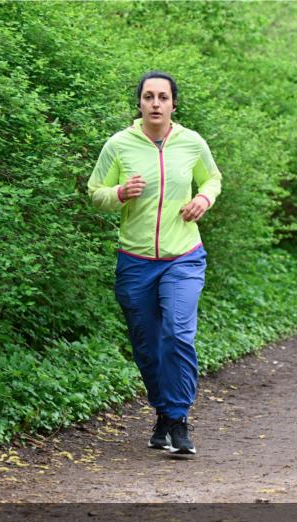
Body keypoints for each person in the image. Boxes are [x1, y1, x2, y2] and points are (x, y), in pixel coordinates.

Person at [88, 71, 222, 458]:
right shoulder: (118, 145)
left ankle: (178, 419)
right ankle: (163, 412)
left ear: (174, 104)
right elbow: (95, 192)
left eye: (163, 97)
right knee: (147, 346)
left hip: (183, 257)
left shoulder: (191, 142)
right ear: (140, 103)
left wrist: (204, 200)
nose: (156, 103)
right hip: (135, 260)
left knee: (178, 333)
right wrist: (118, 193)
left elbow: (212, 178)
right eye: (149, 96)